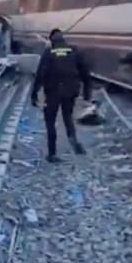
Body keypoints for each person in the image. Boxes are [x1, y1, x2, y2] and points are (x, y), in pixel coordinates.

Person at [30, 28, 92, 163]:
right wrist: (87, 94)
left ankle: (52, 153)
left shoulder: (49, 52)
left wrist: (34, 94)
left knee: (50, 121)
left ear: (51, 40)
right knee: (68, 116)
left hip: (53, 92)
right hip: (71, 91)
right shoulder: (74, 51)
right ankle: (74, 142)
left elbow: (40, 74)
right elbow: (85, 74)